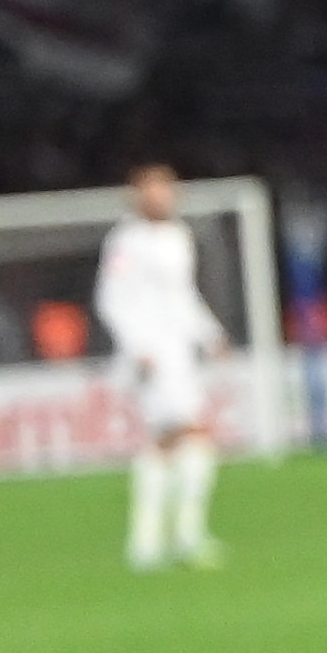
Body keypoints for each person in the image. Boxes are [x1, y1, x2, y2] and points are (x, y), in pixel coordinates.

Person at [96, 164, 235, 572]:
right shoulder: (126, 241)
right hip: (150, 356)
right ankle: (181, 537)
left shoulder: (178, 237)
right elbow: (110, 299)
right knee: (191, 435)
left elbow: (183, 296)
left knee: (169, 443)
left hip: (178, 353)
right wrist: (137, 346)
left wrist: (210, 335)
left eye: (168, 190)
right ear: (138, 196)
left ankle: (150, 543)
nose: (164, 197)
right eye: (154, 190)